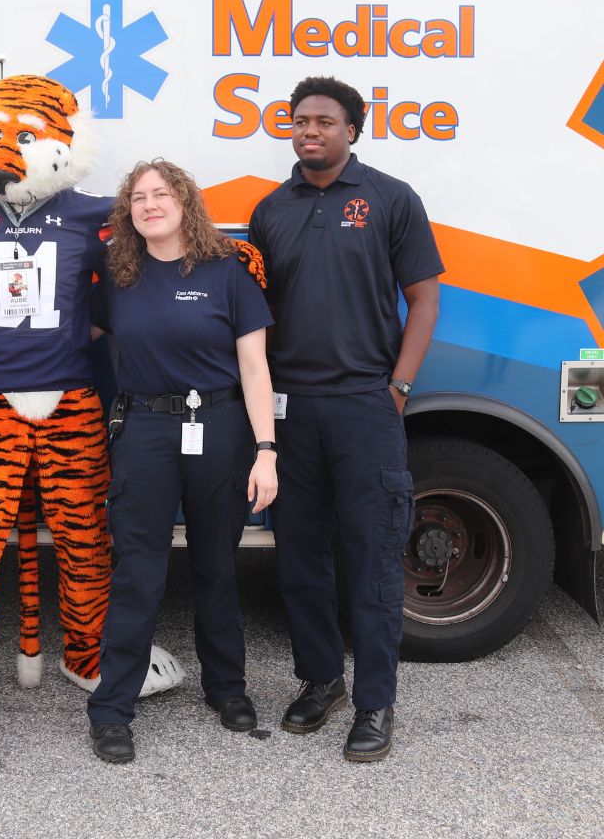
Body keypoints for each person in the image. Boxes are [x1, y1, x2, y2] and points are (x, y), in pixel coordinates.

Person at [248, 75, 444, 763]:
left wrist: (398, 386)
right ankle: (321, 679)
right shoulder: (271, 210)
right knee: (300, 557)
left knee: (370, 559)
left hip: (366, 405)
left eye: (325, 121)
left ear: (352, 130)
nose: (309, 130)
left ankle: (375, 703)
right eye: (300, 120)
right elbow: (256, 320)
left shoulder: (390, 199)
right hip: (292, 410)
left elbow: (423, 299)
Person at [86, 159, 278, 764]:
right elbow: (71, 341)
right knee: (137, 570)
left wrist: (267, 450)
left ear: (184, 202)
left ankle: (227, 687)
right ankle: (113, 707)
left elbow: (255, 368)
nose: (149, 205)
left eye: (160, 194)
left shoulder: (228, 272)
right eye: (138, 197)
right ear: (127, 212)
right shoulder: (116, 274)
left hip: (219, 427)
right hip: (143, 427)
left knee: (216, 563)